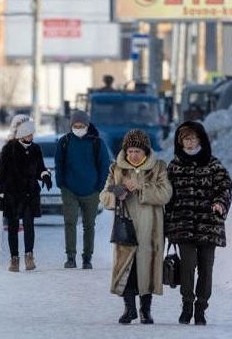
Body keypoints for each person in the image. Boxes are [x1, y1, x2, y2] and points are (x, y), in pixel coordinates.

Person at [99, 129, 172, 325]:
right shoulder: (116, 169)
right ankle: (129, 309)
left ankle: (145, 311)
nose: (133, 155)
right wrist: (117, 194)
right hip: (126, 228)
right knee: (127, 270)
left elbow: (166, 194)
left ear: (145, 152)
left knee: (147, 270)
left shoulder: (158, 167)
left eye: (137, 151)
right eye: (130, 151)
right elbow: (104, 196)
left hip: (151, 230)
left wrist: (141, 187)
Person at [165, 121, 232, 326]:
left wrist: (220, 203)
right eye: (186, 138)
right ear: (180, 142)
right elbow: (167, 195)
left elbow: (225, 187)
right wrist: (167, 220)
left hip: (208, 224)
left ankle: (201, 308)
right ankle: (187, 305)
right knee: (187, 266)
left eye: (193, 138)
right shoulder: (174, 166)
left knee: (206, 268)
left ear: (200, 139)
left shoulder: (213, 164)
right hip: (183, 225)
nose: (190, 142)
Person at [0, 114, 52, 272]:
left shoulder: (36, 149)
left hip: (30, 194)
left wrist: (45, 176)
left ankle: (29, 255)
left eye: (32, 133)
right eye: (27, 133)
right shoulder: (9, 150)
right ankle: (14, 259)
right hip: (12, 195)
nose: (30, 136)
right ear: (20, 134)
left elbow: (40, 168)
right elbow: (1, 173)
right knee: (12, 226)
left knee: (29, 225)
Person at [54, 109, 110, 270]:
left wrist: (99, 187)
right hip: (69, 190)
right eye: (75, 125)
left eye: (81, 125)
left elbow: (104, 166)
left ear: (87, 125)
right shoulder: (64, 142)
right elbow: (59, 164)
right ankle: (70, 257)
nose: (78, 128)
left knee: (89, 225)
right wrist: (61, 184)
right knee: (69, 223)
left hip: (91, 191)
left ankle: (87, 258)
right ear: (71, 125)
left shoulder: (97, 143)